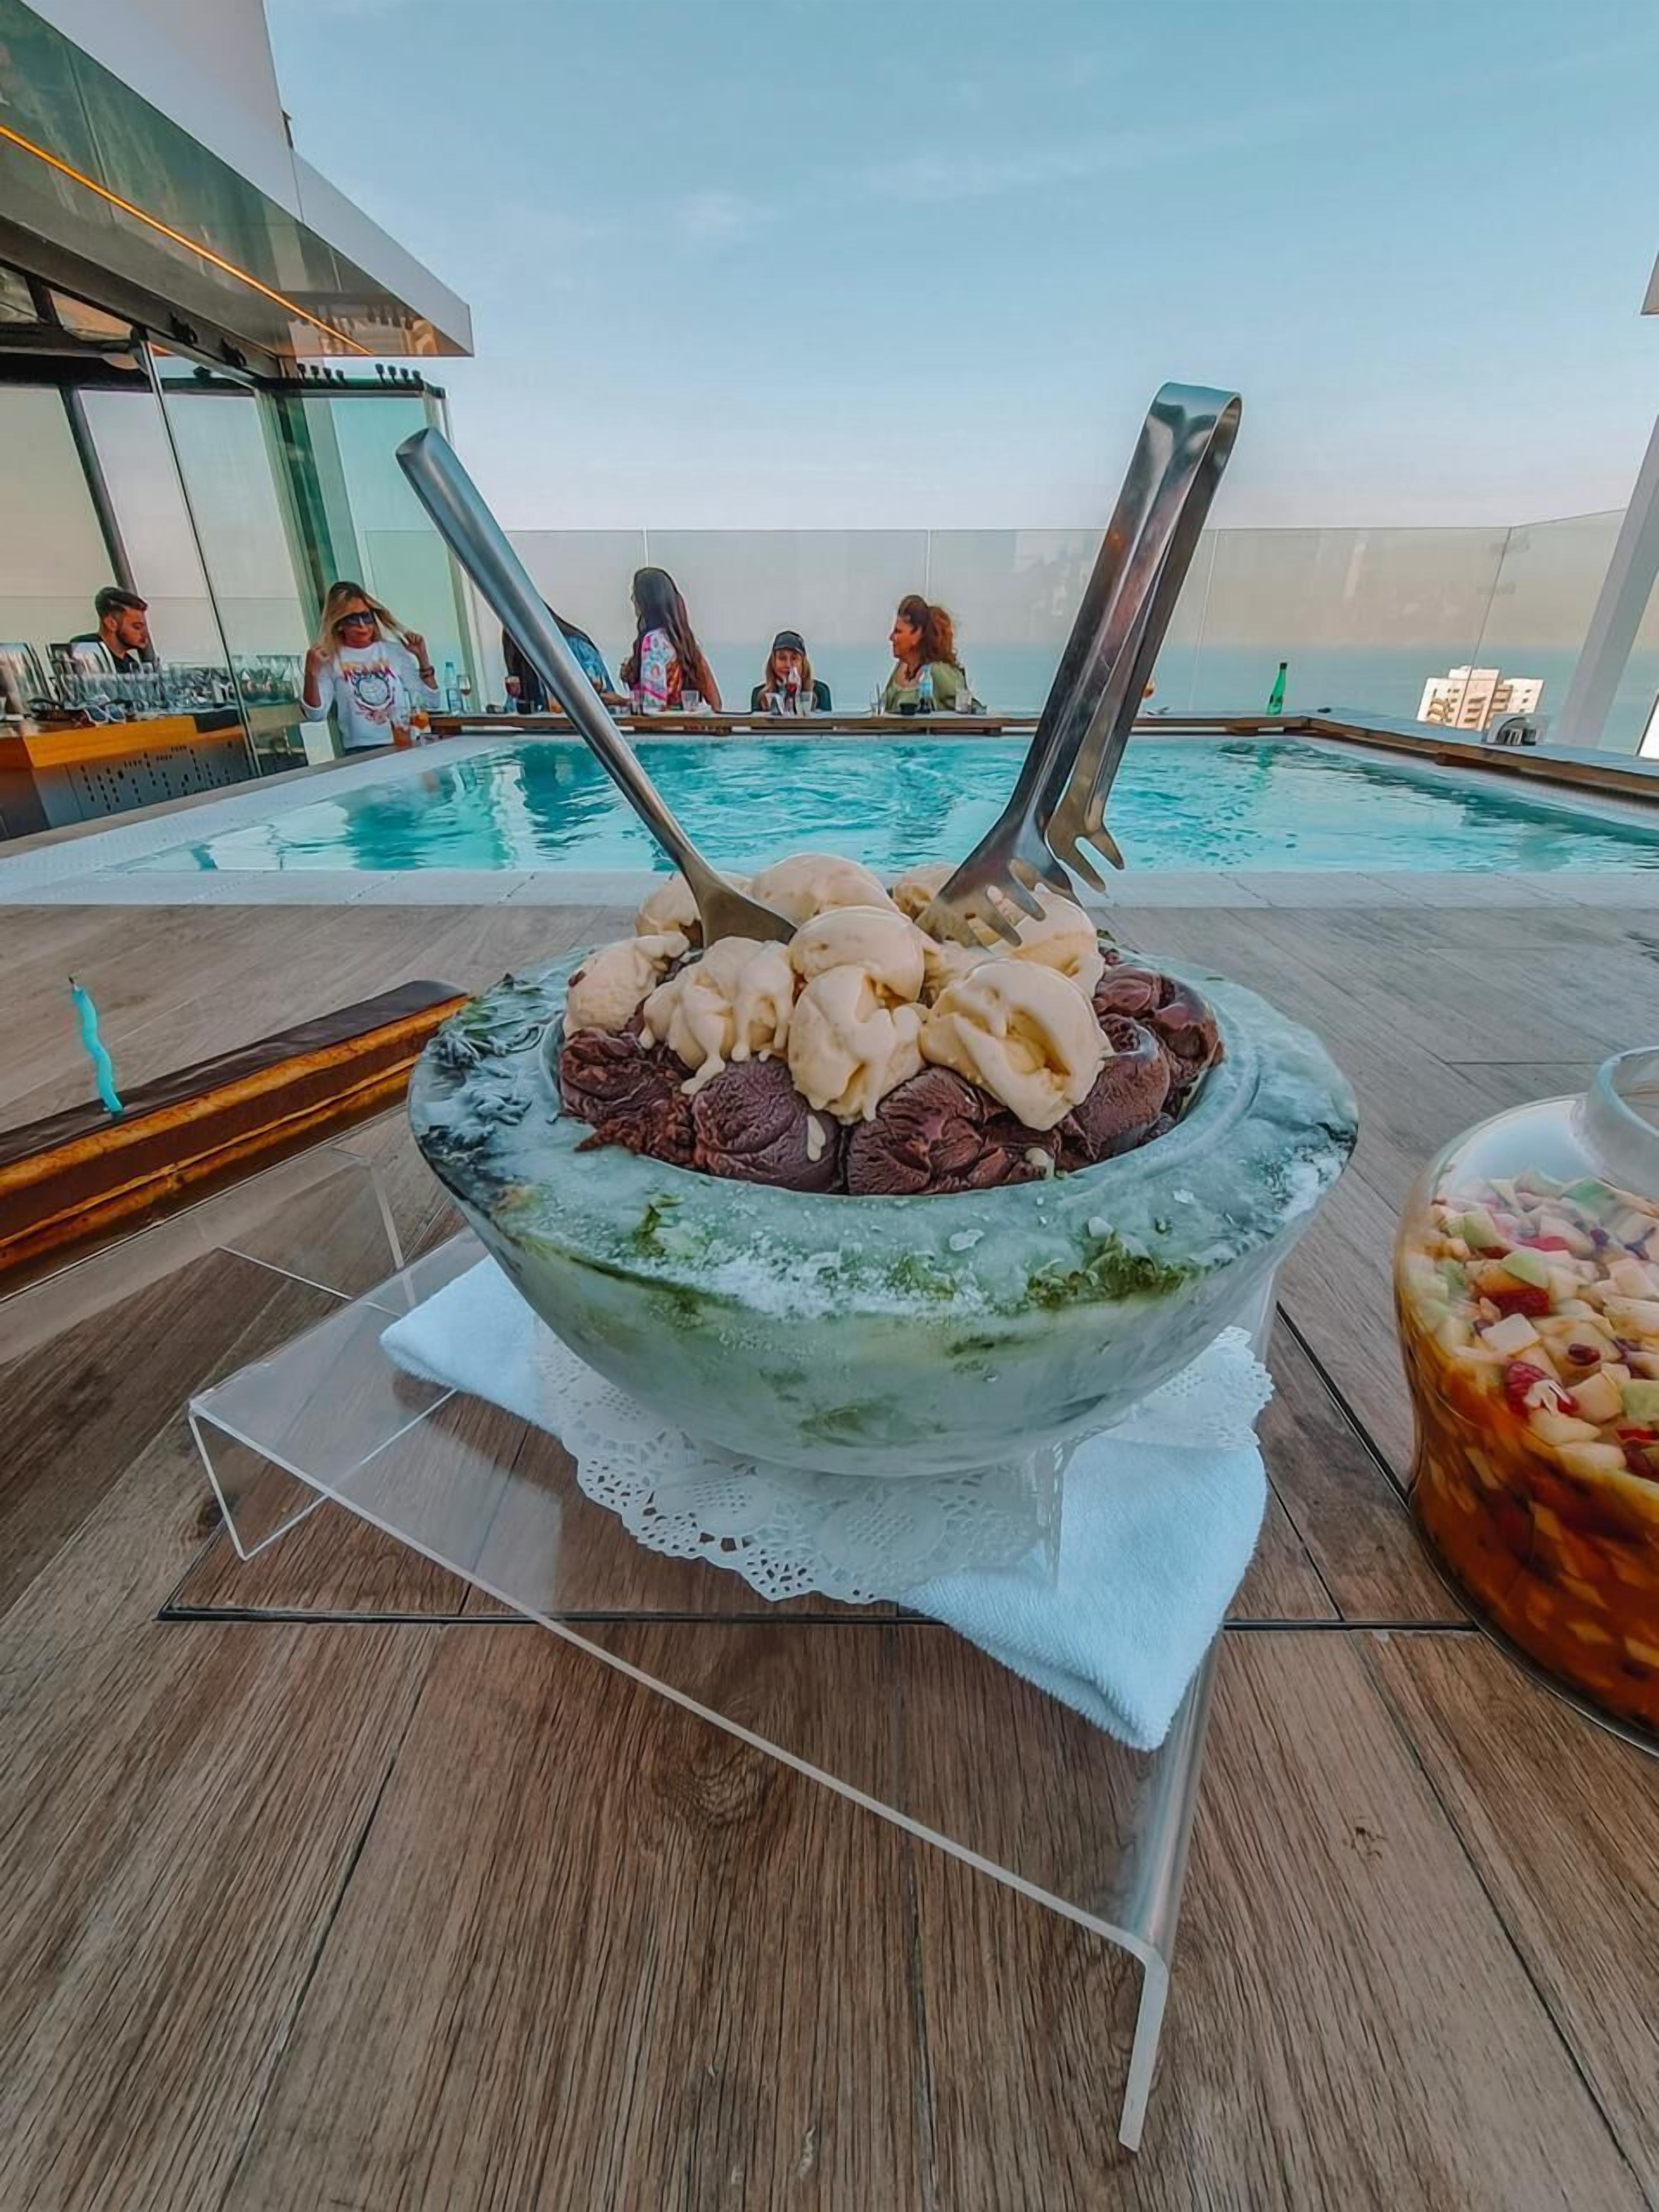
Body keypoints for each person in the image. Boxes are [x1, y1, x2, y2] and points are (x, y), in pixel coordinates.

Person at [302, 582, 438, 752]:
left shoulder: (393, 651)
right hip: (361, 751)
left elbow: (431, 703)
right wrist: (311, 673)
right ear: (339, 624)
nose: (362, 626)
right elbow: (316, 715)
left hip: (403, 744)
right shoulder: (330, 659)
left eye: (367, 617)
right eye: (353, 619)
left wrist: (423, 659)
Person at [620, 567, 721, 711]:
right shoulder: (686, 645)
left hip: (662, 732)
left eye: (635, 594)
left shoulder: (654, 642)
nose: (632, 599)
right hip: (688, 730)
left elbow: (653, 705)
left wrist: (622, 702)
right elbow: (715, 702)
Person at [502, 608, 617, 712]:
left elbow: (602, 698)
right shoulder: (527, 668)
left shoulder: (576, 649)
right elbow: (514, 708)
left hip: (587, 729)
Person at [882, 595, 970, 712]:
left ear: (918, 634)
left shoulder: (938, 672)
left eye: (898, 632)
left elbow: (967, 711)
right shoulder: (901, 669)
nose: (892, 638)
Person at [71, 587, 153, 674]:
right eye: (137, 627)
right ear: (111, 624)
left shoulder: (131, 665)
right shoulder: (86, 649)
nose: (144, 634)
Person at [750, 629, 831, 714]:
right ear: (773, 662)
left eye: (794, 659)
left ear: (803, 663)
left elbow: (827, 724)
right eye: (782, 658)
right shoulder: (760, 694)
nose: (788, 665)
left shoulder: (820, 691)